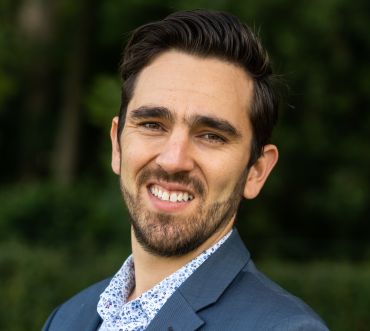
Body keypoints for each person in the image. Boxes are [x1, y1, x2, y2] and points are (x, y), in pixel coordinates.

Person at [43, 10, 329, 331]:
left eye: (211, 135)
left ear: (256, 172)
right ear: (117, 145)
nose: (173, 160)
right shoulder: (66, 319)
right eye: (152, 124)